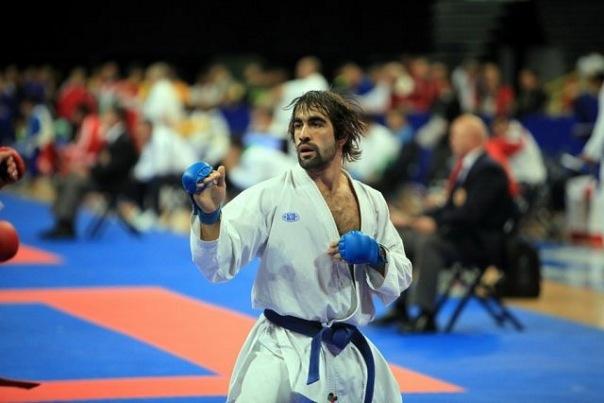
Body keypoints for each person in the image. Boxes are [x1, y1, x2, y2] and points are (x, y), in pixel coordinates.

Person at [185, 90, 412, 402]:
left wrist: (377, 256)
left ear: (342, 134)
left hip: (346, 351)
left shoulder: (371, 201)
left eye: (316, 123)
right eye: (297, 125)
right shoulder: (271, 195)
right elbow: (218, 264)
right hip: (280, 350)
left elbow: (400, 276)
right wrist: (210, 215)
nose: (303, 134)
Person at [382, 114, 515, 332]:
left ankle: (426, 315)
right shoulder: (466, 167)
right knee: (404, 239)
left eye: (455, 135)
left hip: (479, 242)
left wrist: (436, 224)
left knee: (430, 245)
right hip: (459, 235)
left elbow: (472, 213)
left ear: (472, 138)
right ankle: (401, 307)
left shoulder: (489, 169)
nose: (450, 140)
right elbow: (452, 208)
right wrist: (418, 219)